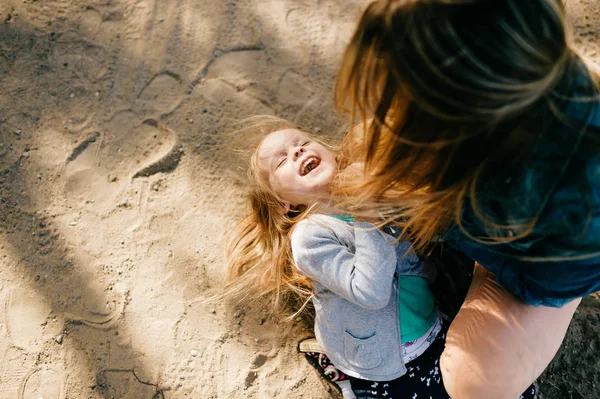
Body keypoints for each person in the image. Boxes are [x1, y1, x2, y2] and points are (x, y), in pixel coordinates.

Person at [333, 1, 600, 398]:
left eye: (408, 95)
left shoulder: (574, 201)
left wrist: (445, 223)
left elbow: (547, 286)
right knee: (370, 154)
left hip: (549, 275)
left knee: (473, 383)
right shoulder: (517, 85)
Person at [223, 116, 475, 398]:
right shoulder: (309, 237)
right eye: (281, 161)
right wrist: (366, 214)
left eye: (303, 143)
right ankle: (348, 380)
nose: (297, 151)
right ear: (285, 204)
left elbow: (409, 253)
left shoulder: (372, 195)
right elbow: (371, 292)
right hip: (386, 357)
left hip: (429, 324)